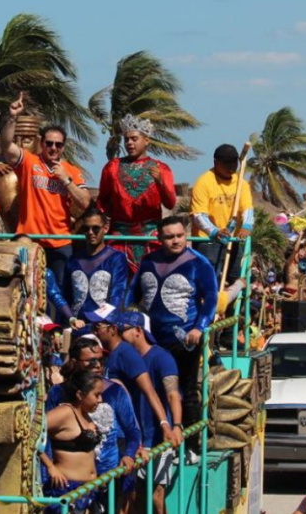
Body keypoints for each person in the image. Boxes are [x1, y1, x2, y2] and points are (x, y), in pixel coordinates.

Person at [129, 216, 218, 433]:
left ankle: (193, 446)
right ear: (159, 238)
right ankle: (158, 439)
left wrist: (199, 327)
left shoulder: (199, 263)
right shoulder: (148, 261)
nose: (176, 241)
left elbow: (212, 298)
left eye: (180, 236)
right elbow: (132, 295)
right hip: (152, 340)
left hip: (184, 338)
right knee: (152, 389)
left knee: (185, 391)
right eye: (169, 237)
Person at [0, 91, 90, 288]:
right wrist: (13, 117)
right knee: (27, 289)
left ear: (63, 147)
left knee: (59, 290)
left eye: (58, 145)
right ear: (41, 143)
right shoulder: (30, 162)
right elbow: (6, 144)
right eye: (49, 143)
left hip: (61, 242)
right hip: (30, 240)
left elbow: (85, 202)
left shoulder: (72, 171)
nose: (53, 148)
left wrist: (66, 181)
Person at [46, 337, 143, 514]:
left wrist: (129, 454)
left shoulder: (115, 390)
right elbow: (40, 435)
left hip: (108, 479)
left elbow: (133, 430)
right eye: (91, 361)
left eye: (101, 359)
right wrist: (48, 471)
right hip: (69, 485)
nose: (98, 365)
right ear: (74, 362)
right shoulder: (58, 394)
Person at [117, 311, 182, 514]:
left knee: (157, 494)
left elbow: (173, 394)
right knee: (131, 495)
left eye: (123, 331)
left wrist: (176, 426)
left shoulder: (161, 357)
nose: (119, 335)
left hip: (158, 438)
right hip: (134, 439)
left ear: (138, 331)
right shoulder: (123, 358)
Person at [96, 115, 177, 271]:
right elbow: (102, 201)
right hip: (120, 235)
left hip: (151, 235)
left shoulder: (161, 168)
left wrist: (160, 183)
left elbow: (170, 203)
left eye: (134, 139)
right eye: (126, 140)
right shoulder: (112, 167)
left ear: (146, 140)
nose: (129, 143)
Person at [88, 305, 175, 448]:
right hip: (123, 434)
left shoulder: (126, 353)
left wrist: (165, 425)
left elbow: (149, 391)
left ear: (113, 329)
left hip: (140, 439)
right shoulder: (110, 355)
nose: (94, 331)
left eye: (97, 326)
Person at [40, 365, 105, 514]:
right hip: (67, 490)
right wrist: (50, 467)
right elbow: (31, 431)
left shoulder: (86, 414)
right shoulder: (64, 413)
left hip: (88, 490)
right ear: (80, 395)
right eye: (96, 395)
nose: (100, 400)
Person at [190, 144, 253, 285]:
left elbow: (247, 209)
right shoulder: (204, 182)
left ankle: (233, 306)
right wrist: (214, 232)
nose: (231, 167)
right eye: (227, 163)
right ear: (216, 162)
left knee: (238, 278)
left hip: (232, 240)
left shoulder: (241, 183)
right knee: (208, 280)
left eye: (234, 162)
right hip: (208, 241)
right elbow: (199, 215)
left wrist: (247, 226)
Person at [65, 208, 130, 321]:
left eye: (95, 228)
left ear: (106, 228)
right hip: (77, 326)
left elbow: (118, 295)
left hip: (104, 326)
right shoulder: (73, 260)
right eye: (86, 228)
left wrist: (107, 323)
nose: (90, 232)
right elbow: (66, 296)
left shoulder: (116, 258)